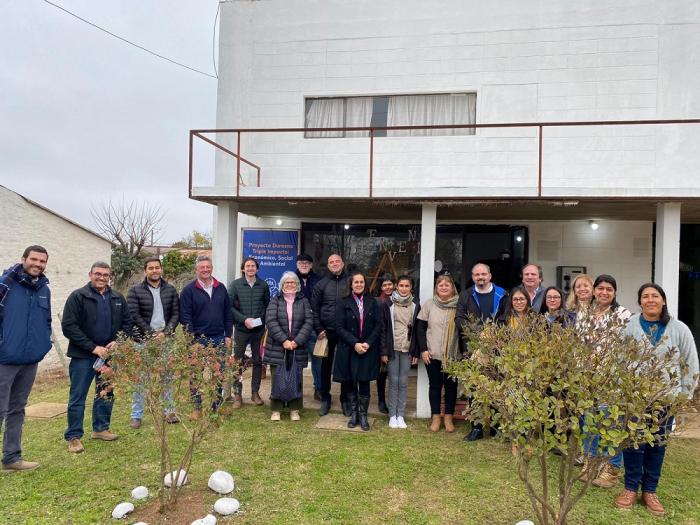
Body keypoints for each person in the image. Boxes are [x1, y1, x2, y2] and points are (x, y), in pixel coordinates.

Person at [615, 283, 699, 516]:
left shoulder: (679, 328)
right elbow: (617, 361)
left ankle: (649, 490)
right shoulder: (629, 326)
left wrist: (685, 395)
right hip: (633, 398)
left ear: (663, 300)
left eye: (655, 296)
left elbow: (691, 364)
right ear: (640, 302)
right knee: (632, 444)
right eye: (645, 296)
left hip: (665, 399)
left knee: (656, 445)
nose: (650, 299)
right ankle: (630, 488)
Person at [62, 261, 132, 453]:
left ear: (110, 277)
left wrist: (119, 341)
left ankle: (101, 428)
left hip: (109, 356)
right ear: (90, 274)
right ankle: (74, 436)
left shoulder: (117, 298)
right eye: (98, 274)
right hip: (83, 356)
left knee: (106, 392)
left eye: (105, 275)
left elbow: (127, 325)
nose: (102, 277)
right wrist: (93, 348)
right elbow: (69, 326)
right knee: (78, 396)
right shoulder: (78, 296)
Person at [0, 246, 52, 471]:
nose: (38, 264)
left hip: (30, 360)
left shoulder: (44, 289)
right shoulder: (6, 285)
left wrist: (44, 343)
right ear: (24, 259)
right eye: (34, 259)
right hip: (4, 359)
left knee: (17, 409)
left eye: (42, 261)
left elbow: (46, 320)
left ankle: (12, 457)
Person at [579, 274, 632, 488]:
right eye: (600, 288)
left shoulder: (623, 314)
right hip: (587, 377)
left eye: (609, 289)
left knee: (611, 423)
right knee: (590, 423)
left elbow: (629, 347)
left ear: (615, 292)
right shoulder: (586, 314)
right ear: (594, 291)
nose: (604, 292)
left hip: (612, 378)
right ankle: (590, 465)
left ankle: (611, 470)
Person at [126, 257, 180, 429]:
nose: (154, 270)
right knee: (141, 378)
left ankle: (169, 411)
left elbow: (176, 314)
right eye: (151, 268)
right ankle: (136, 415)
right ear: (145, 271)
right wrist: (151, 334)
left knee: (167, 377)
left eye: (157, 267)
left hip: (166, 340)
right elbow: (134, 315)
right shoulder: (135, 291)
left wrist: (165, 333)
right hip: (142, 341)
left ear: (161, 270)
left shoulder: (170, 290)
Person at [457, 262, 507, 441]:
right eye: (477, 274)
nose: (480, 277)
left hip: (496, 349)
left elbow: (505, 317)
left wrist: (491, 332)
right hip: (473, 348)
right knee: (474, 388)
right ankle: (476, 427)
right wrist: (479, 333)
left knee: (495, 388)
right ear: (472, 277)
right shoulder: (466, 295)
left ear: (490, 276)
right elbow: (460, 318)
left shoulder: (502, 294)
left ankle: (495, 427)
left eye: (483, 274)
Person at [179, 256, 233, 419]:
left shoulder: (220, 288)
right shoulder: (189, 290)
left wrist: (228, 335)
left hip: (218, 338)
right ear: (197, 270)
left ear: (212, 268)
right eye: (202, 267)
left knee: (219, 374)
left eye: (208, 267)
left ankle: (216, 407)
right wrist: (192, 341)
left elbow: (227, 313)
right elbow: (185, 317)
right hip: (198, 340)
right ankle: (196, 408)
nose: (205, 270)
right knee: (196, 375)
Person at [333, 270, 382, 431]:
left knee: (364, 381)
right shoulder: (343, 302)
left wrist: (367, 343)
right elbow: (339, 327)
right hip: (349, 348)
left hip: (367, 349)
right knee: (350, 381)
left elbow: (378, 325)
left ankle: (363, 416)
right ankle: (354, 415)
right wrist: (355, 343)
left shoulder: (373, 302)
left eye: (361, 282)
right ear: (351, 284)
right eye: (356, 282)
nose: (359, 284)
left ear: (365, 284)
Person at [263, 271, 313, 421]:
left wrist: (297, 341)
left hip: (297, 346)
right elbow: (271, 321)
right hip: (277, 346)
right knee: (278, 377)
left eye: (292, 282)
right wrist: (284, 340)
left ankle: (294, 409)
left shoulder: (303, 301)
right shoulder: (275, 300)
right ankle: (276, 410)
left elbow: (309, 322)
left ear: (297, 284)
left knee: (296, 377)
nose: (290, 284)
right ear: (282, 285)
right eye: (287, 282)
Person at [416, 274, 460, 433]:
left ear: (452, 287)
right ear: (436, 288)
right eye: (440, 285)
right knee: (434, 385)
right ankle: (435, 417)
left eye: (447, 285)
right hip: (432, 353)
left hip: (452, 355)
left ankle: (448, 417)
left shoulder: (459, 305)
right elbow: (420, 329)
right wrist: (423, 349)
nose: (443, 287)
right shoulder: (429, 305)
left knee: (451, 386)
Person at [228, 257, 270, 408]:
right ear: (243, 269)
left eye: (253, 266)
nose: (251, 268)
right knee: (238, 362)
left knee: (258, 361)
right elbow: (230, 307)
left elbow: (267, 306)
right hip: (241, 329)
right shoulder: (235, 285)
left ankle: (255, 393)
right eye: (248, 266)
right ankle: (238, 395)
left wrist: (261, 320)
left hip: (258, 331)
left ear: (257, 269)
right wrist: (244, 319)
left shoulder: (263, 285)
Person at [311, 253, 349, 416]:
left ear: (343, 263)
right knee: (325, 368)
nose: (334, 264)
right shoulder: (321, 284)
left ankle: (345, 399)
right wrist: (319, 329)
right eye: (331, 262)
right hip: (326, 332)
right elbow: (314, 309)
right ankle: (326, 398)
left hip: (346, 333)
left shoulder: (350, 282)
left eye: (337, 261)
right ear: (328, 266)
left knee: (345, 366)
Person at [380, 275, 420, 429]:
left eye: (407, 286)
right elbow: (383, 329)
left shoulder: (416, 305)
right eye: (401, 285)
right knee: (393, 381)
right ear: (396, 286)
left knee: (403, 382)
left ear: (411, 288)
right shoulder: (388, 304)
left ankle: (400, 414)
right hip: (393, 348)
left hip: (407, 348)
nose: (404, 288)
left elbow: (417, 330)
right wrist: (384, 351)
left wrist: (415, 352)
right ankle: (392, 415)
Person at [295, 254, 322, 400]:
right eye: (301, 262)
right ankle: (296, 389)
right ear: (297, 264)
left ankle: (318, 389)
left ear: (311, 265)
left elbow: (323, 303)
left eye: (307, 263)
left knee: (317, 359)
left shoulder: (319, 280)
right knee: (297, 359)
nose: (304, 265)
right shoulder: (291, 279)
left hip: (313, 326)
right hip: (296, 327)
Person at [374, 275, 395, 414]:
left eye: (390, 284)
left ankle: (394, 400)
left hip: (396, 342)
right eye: (384, 285)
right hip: (381, 342)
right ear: (380, 287)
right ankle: (381, 400)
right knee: (381, 374)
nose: (388, 287)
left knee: (394, 375)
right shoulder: (377, 302)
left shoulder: (399, 300)